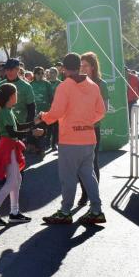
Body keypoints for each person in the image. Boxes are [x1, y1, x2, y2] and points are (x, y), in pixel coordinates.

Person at [37, 53, 106, 225]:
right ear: (79, 66)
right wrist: (86, 122)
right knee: (88, 176)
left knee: (68, 178)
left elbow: (56, 112)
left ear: (64, 69)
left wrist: (43, 117)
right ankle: (96, 210)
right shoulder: (92, 85)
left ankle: (65, 211)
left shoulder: (64, 86)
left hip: (70, 139)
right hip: (88, 137)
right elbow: (101, 111)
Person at [0, 84, 44, 225]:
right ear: (11, 96)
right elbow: (12, 133)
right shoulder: (5, 111)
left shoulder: (8, 110)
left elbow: (19, 126)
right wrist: (32, 132)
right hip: (7, 146)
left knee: (16, 179)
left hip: (11, 146)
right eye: (16, 93)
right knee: (12, 181)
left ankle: (14, 212)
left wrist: (36, 121)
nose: (17, 95)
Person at [78, 52, 109, 206]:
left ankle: (92, 195)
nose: (82, 68)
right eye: (80, 65)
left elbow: (104, 109)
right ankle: (84, 193)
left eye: (85, 66)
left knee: (92, 162)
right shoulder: (76, 82)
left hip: (92, 129)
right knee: (78, 163)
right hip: (76, 130)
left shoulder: (101, 84)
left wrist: (88, 122)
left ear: (93, 67)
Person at [29, 67, 53, 156]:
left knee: (43, 130)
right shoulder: (30, 84)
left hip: (45, 112)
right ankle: (37, 147)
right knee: (35, 130)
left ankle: (42, 149)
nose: (40, 75)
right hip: (34, 111)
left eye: (42, 73)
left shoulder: (47, 84)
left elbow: (51, 97)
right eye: (38, 73)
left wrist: (51, 110)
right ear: (34, 74)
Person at [46, 67, 62, 151]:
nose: (51, 74)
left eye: (53, 72)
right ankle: (47, 143)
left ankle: (54, 144)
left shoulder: (61, 83)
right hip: (48, 108)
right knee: (48, 127)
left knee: (56, 127)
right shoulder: (46, 83)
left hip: (57, 108)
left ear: (56, 74)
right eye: (50, 72)